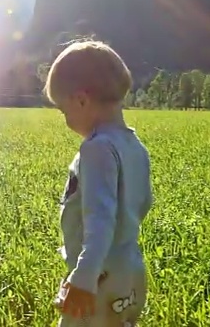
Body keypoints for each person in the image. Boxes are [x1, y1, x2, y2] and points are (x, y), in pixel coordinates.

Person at [44, 40, 154, 326]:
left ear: (81, 100)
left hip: (96, 276)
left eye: (64, 110)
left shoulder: (97, 148)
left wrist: (82, 279)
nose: (66, 119)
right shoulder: (136, 147)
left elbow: (100, 221)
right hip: (130, 270)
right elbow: (144, 203)